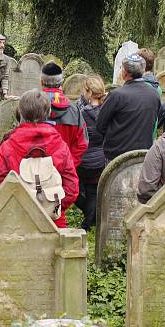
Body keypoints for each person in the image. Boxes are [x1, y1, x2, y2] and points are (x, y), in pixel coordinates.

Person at [0, 89, 79, 228]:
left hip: (17, 222)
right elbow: (72, 188)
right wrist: (53, 207)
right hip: (53, 221)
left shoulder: (8, 146)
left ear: (20, 112)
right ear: (48, 112)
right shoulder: (60, 146)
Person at [96, 54, 161, 161]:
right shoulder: (154, 94)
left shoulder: (116, 95)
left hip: (118, 155)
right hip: (143, 153)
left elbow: (100, 125)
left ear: (125, 73)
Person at [40, 62, 88, 167]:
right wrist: (68, 164)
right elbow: (82, 143)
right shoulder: (74, 110)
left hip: (35, 172)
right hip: (65, 171)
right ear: (61, 82)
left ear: (41, 81)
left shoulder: (31, 107)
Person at [74, 76, 106, 230]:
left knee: (75, 191)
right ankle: (89, 222)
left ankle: (88, 218)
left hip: (82, 158)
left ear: (88, 92)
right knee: (93, 192)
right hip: (100, 158)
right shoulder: (107, 110)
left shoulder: (81, 112)